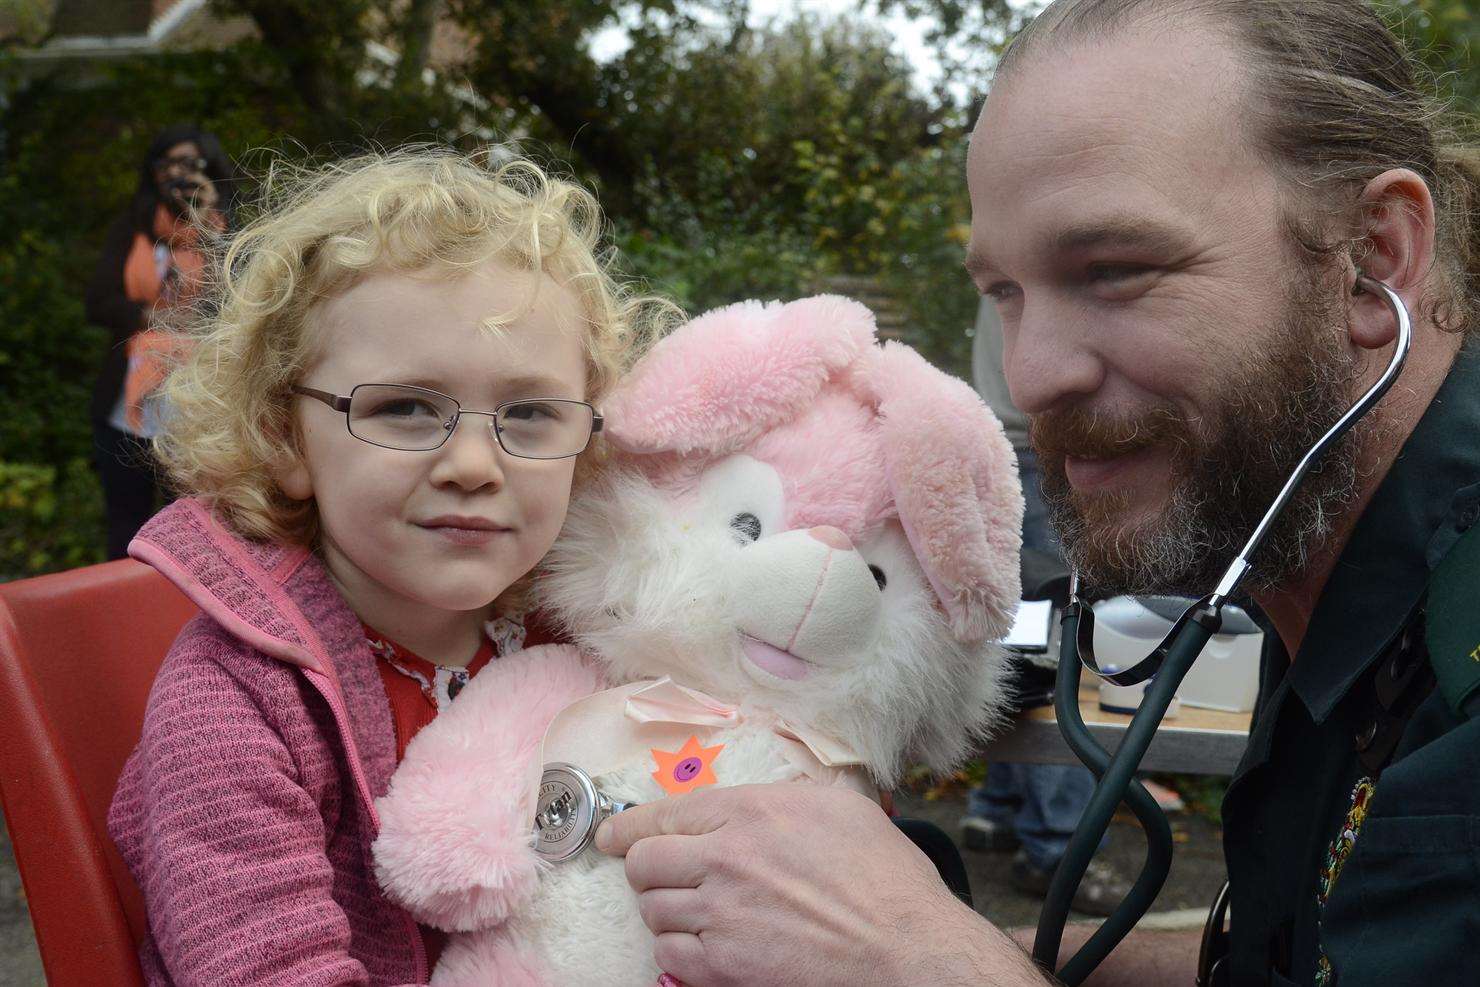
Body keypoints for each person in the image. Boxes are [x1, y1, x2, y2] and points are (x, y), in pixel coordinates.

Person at [595, 2, 1480, 985]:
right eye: (1005, 293)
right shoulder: (1316, 550)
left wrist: (901, 950)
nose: (1029, 377)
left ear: (1373, 260)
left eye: (1113, 270)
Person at [106, 149, 665, 984]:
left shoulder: (587, 635)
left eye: (532, 413)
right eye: (405, 407)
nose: (475, 463)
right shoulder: (237, 705)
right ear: (285, 438)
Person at [962, 299, 1128, 917]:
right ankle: (1059, 850)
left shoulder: (1011, 237)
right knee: (1058, 646)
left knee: (1018, 637)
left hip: (1006, 443)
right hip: (1048, 450)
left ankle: (996, 810)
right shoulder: (1068, 231)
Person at [85, 124, 236, 559]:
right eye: (165, 163)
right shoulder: (132, 226)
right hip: (128, 406)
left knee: (193, 528)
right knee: (126, 521)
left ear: (209, 167)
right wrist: (149, 315)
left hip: (198, 402)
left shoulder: (230, 229)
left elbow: (244, 294)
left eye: (188, 163)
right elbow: (97, 302)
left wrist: (208, 219)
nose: (175, 173)